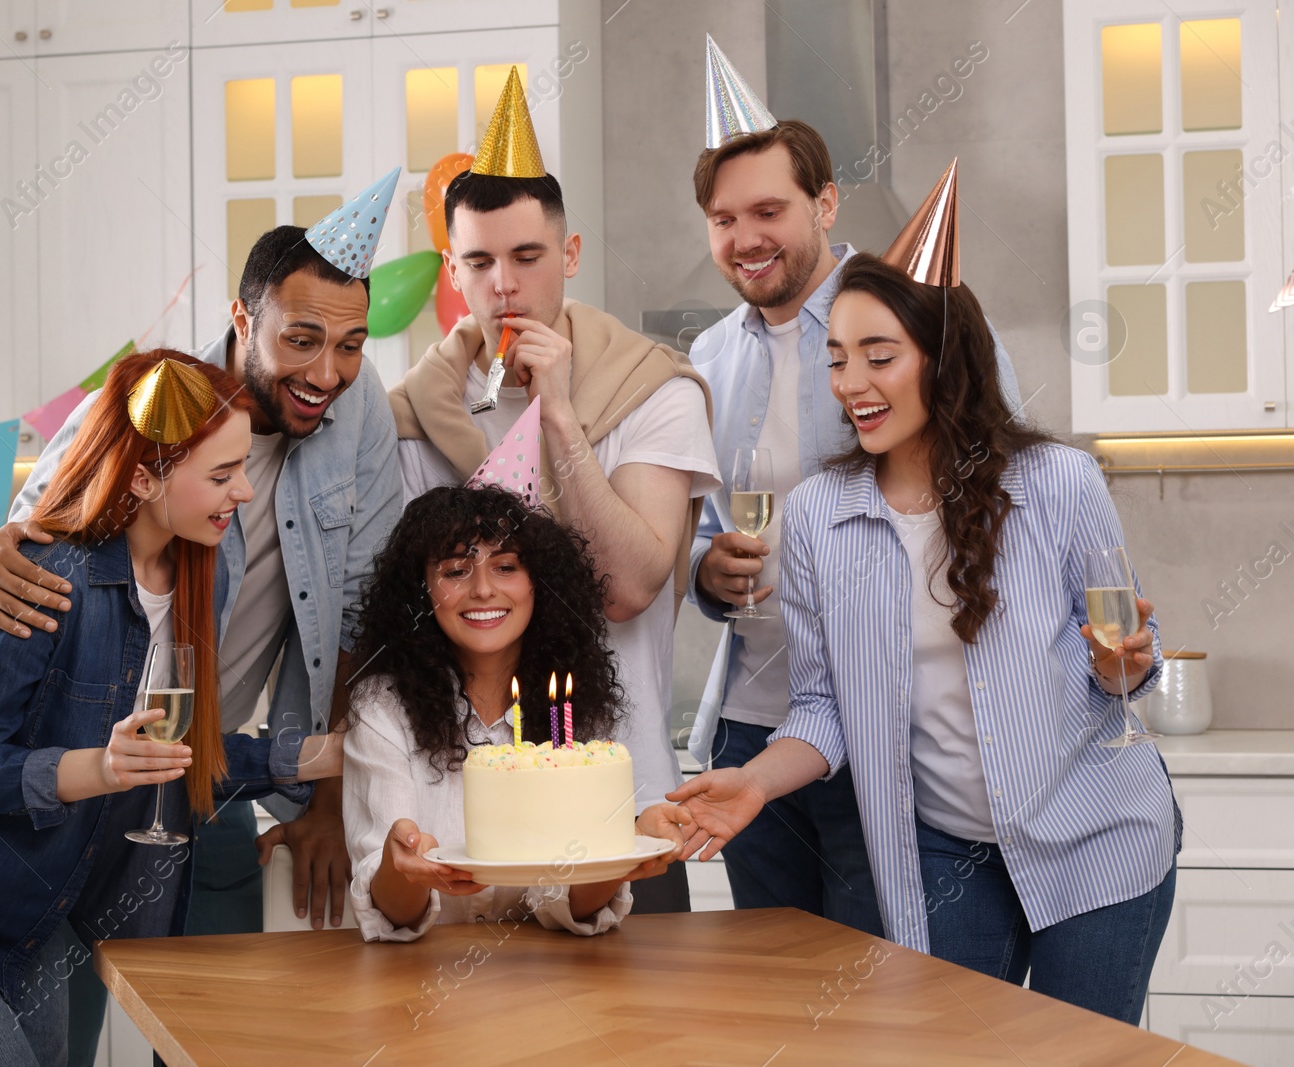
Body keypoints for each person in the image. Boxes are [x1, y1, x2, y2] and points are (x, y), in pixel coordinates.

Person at [671, 249, 1179, 1025]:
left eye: (880, 356)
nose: (851, 383)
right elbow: (821, 709)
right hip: (944, 851)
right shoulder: (816, 516)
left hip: (1097, 838)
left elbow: (1126, 662)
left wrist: (1127, 664)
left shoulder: (1058, 483)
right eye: (837, 358)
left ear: (946, 360)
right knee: (945, 1049)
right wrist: (755, 781)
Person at [0, 172, 405, 959]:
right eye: (302, 340)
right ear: (244, 319)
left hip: (208, 768)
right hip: (76, 775)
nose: (327, 374)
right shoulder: (154, 399)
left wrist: (328, 795)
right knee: (59, 1020)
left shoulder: (359, 412)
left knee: (218, 1021)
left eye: (350, 345)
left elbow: (358, 608)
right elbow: (27, 545)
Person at [0, 351, 345, 1066]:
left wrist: (321, 755)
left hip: (25, 913)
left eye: (243, 467)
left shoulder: (208, 569)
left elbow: (174, 753)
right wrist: (103, 767)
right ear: (143, 477)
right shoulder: (43, 573)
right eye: (223, 475)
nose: (247, 492)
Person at [683, 41, 1020, 934]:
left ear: (824, 203)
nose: (746, 237)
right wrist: (705, 569)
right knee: (780, 986)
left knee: (885, 989)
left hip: (889, 729)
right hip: (755, 723)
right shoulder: (709, 356)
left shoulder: (914, 310)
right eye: (724, 219)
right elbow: (699, 524)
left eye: (768, 209)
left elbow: (1001, 476)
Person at [392, 68, 720, 914]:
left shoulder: (654, 391)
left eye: (528, 257)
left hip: (631, 810)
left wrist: (561, 415)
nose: (505, 283)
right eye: (480, 261)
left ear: (568, 256)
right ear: (453, 272)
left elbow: (627, 585)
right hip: (458, 819)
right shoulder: (409, 421)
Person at [342, 484, 688, 942]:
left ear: (540, 582)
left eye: (506, 567)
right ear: (421, 591)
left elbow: (570, 906)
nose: (483, 589)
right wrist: (402, 865)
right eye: (456, 571)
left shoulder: (578, 709)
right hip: (415, 986)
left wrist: (621, 854)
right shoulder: (383, 709)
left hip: (552, 983)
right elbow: (393, 916)